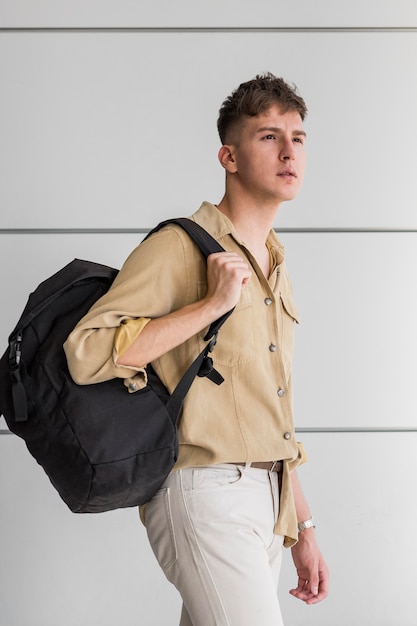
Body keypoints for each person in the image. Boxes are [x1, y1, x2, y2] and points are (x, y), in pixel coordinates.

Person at [64, 72, 329, 626]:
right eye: (268, 136)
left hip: (267, 503)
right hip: (205, 492)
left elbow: (273, 408)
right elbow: (85, 352)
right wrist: (209, 306)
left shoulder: (275, 263)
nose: (288, 151)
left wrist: (303, 526)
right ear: (228, 157)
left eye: (298, 137)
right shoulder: (180, 246)